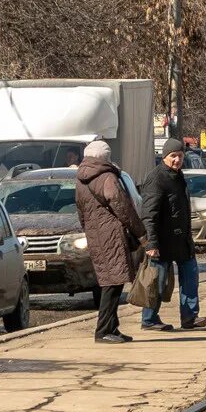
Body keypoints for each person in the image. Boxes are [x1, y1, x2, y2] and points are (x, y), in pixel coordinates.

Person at [75, 140, 150, 344]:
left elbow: (81, 211)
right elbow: (122, 206)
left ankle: (113, 328)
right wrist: (140, 232)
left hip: (96, 236)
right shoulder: (107, 177)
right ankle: (103, 330)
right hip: (112, 235)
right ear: (105, 157)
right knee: (113, 284)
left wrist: (90, 231)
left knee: (111, 281)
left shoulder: (80, 179)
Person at [139, 138, 206, 333]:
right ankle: (149, 318)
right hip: (162, 242)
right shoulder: (156, 178)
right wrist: (151, 243)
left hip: (182, 241)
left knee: (190, 276)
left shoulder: (178, 176)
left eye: (180, 156)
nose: (177, 160)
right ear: (165, 157)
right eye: (173, 156)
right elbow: (149, 214)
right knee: (156, 282)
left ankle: (190, 317)